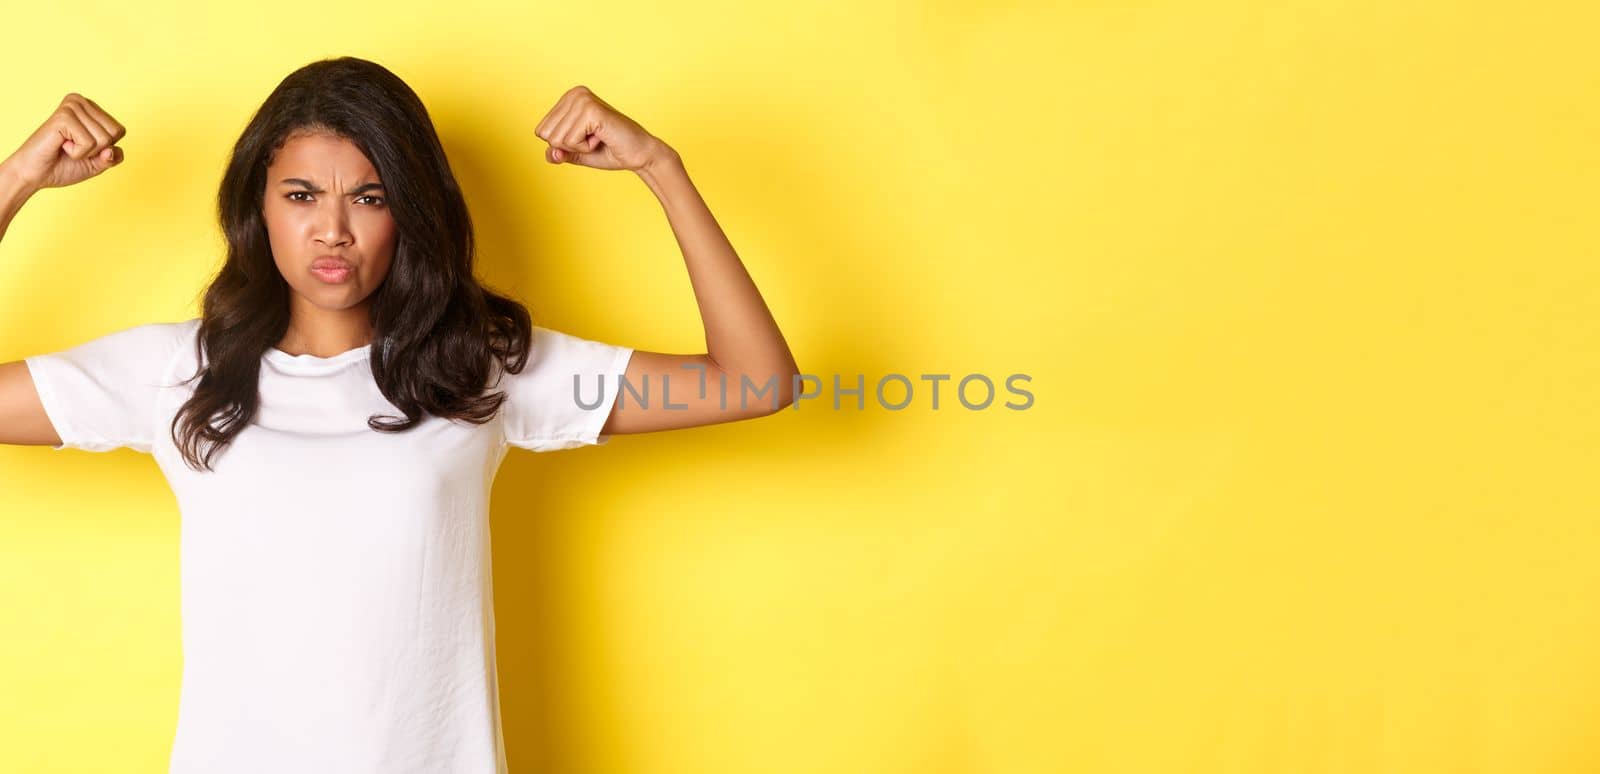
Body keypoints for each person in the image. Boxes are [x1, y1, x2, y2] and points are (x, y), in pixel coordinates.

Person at [0, 57, 799, 773]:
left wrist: (661, 168)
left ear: (408, 213)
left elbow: (755, 383)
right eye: (302, 195)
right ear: (260, 208)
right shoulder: (174, 372)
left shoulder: (476, 368)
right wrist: (17, 180)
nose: (333, 229)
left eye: (369, 197)